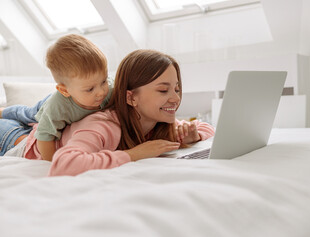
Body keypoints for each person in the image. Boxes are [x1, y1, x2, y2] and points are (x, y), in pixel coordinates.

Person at [0, 49, 215, 176]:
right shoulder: (104, 124)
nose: (175, 98)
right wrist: (135, 154)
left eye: (177, 89)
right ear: (131, 98)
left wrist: (193, 135)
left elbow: (208, 128)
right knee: (21, 119)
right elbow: (64, 164)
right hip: (21, 144)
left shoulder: (154, 120)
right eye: (163, 90)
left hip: (38, 131)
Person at [0, 34, 112, 161]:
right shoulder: (57, 107)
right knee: (28, 114)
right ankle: (4, 111)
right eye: (90, 89)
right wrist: (53, 161)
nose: (101, 92)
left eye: (104, 81)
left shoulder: (110, 90)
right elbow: (44, 137)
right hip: (44, 107)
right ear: (64, 90)